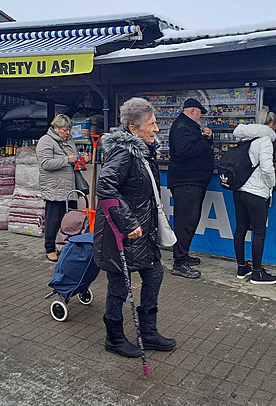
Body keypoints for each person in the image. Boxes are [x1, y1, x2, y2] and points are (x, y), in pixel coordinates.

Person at [94, 97, 175, 358]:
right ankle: (114, 337)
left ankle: (148, 332)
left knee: (154, 275)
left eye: (155, 123)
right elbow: (105, 188)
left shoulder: (144, 150)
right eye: (151, 124)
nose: (156, 129)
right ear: (133, 129)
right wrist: (128, 223)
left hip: (143, 233)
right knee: (118, 287)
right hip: (122, 233)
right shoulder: (124, 153)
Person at [231, 107, 276, 285]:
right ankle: (257, 273)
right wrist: (271, 184)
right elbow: (267, 168)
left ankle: (242, 267)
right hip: (256, 192)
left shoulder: (245, 138)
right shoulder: (265, 140)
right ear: (272, 124)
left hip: (240, 190)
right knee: (259, 231)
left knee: (240, 228)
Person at [167, 98, 214, 279]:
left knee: (189, 221)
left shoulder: (188, 126)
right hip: (186, 182)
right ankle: (179, 263)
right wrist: (203, 139)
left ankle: (182, 255)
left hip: (192, 181)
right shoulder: (182, 126)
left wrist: (207, 139)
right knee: (186, 222)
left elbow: (197, 149)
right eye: (200, 112)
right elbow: (185, 150)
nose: (201, 116)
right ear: (193, 110)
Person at [36, 114, 84, 262]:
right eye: (64, 130)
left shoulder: (69, 140)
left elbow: (73, 158)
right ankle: (50, 248)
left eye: (69, 129)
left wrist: (81, 159)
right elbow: (45, 163)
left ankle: (68, 248)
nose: (68, 133)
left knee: (72, 220)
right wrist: (67, 160)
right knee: (53, 221)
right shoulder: (45, 141)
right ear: (55, 128)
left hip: (70, 188)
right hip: (54, 188)